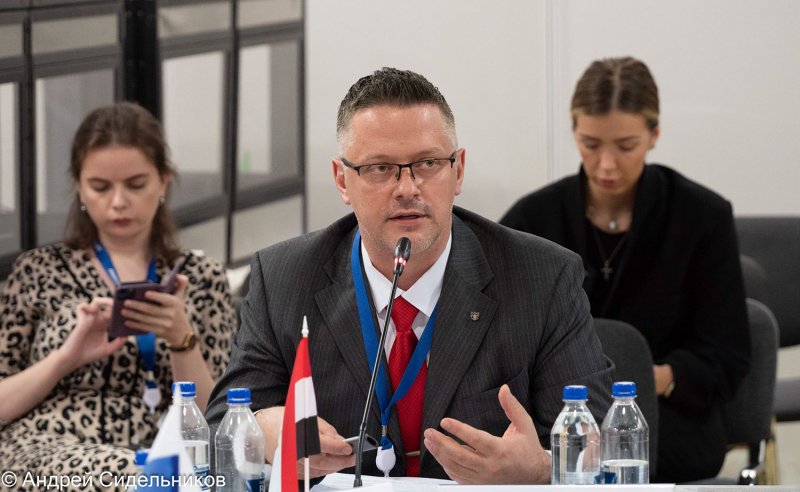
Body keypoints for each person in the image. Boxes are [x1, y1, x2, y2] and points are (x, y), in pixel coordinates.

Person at [205, 67, 612, 484]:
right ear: (342, 180)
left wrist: (539, 471)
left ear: (458, 170)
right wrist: (263, 431)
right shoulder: (284, 279)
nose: (407, 188)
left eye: (428, 163)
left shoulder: (542, 278)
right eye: (380, 168)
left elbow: (601, 453)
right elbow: (220, 427)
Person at [500, 57, 751, 483]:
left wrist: (652, 380)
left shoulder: (701, 217)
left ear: (654, 134)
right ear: (574, 130)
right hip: (556, 424)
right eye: (590, 144)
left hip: (666, 426)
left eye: (626, 146)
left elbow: (727, 354)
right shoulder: (532, 218)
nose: (606, 165)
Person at [0, 102, 236, 485]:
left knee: (176, 474)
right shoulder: (38, 270)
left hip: (159, 451)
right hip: (47, 447)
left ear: (163, 181)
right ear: (79, 187)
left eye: (136, 185)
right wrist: (66, 358)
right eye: (100, 187)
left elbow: (220, 418)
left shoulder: (201, 276)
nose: (119, 202)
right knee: (150, 477)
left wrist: (181, 339)